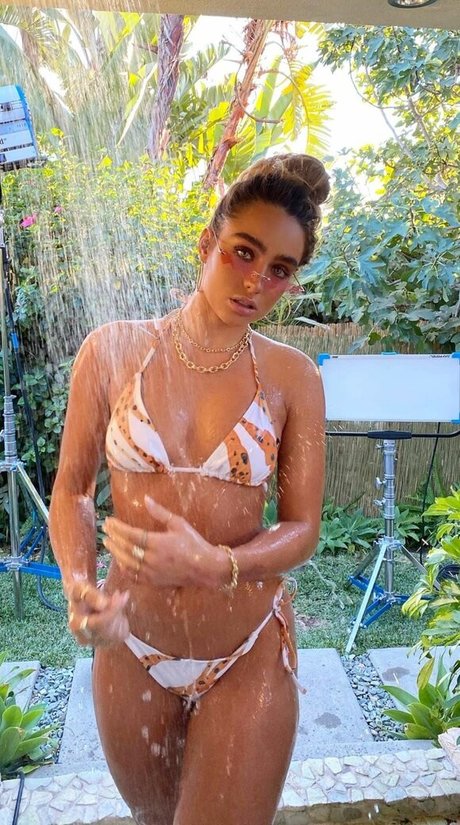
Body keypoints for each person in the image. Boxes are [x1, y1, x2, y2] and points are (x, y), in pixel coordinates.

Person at [49, 153, 328, 825]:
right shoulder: (112, 350)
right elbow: (74, 491)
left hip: (246, 649)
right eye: (243, 252)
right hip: (131, 649)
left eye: (280, 269)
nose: (256, 280)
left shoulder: (291, 378)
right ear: (207, 244)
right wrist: (79, 585)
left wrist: (217, 562)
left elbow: (302, 529)